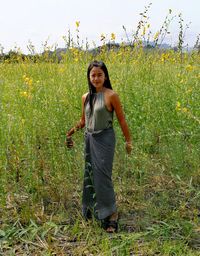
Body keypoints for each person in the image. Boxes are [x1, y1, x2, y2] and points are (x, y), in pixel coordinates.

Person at [66, 60, 132, 233]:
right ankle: (91, 210)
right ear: (89, 77)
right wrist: (71, 132)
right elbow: (83, 120)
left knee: (103, 176)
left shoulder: (111, 95)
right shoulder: (85, 97)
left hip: (105, 138)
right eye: (93, 75)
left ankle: (112, 214)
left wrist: (128, 141)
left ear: (105, 76)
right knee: (89, 174)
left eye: (99, 75)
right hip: (89, 139)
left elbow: (122, 120)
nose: (96, 78)